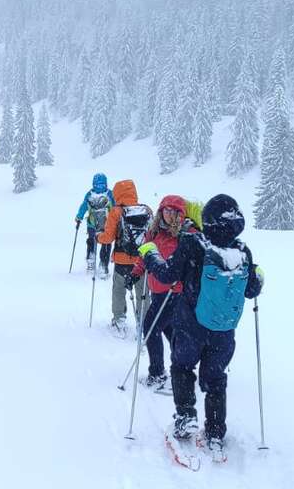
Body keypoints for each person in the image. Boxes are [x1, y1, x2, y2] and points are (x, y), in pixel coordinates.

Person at [139, 194, 263, 455]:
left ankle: (186, 417)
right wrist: (259, 275)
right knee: (216, 380)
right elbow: (252, 290)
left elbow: (167, 275)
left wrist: (150, 253)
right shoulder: (242, 252)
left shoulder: (193, 244)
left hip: (191, 327)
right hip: (224, 332)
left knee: (182, 367)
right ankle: (215, 433)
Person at [131, 195, 194, 388]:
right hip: (157, 290)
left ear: (181, 213)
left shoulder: (186, 233)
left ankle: (158, 373)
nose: (169, 214)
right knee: (169, 330)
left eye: (174, 211)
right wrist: (136, 272)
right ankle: (182, 369)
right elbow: (146, 253)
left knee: (151, 328)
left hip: (175, 292)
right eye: (166, 210)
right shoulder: (154, 231)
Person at [97, 179, 152, 337]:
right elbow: (152, 235)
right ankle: (144, 323)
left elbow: (108, 238)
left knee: (119, 291)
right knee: (142, 293)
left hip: (121, 261)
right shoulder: (146, 210)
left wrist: (98, 237)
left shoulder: (116, 212)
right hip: (141, 262)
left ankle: (119, 320)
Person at [74, 173, 114, 277]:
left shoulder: (89, 194)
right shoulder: (110, 194)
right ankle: (103, 265)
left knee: (91, 241)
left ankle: (90, 261)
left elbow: (84, 206)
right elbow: (115, 207)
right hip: (106, 225)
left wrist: (79, 217)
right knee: (106, 242)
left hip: (92, 225)